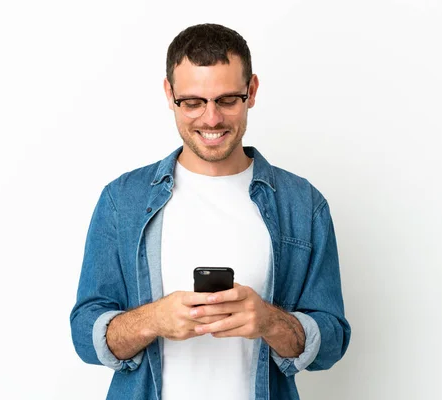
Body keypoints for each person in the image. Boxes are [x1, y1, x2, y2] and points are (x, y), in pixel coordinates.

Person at [70, 23, 351, 400]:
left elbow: (332, 343)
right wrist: (153, 319)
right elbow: (85, 336)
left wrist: (269, 322)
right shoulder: (122, 201)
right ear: (169, 94)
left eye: (227, 100)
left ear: (251, 91)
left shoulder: (303, 205)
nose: (212, 119)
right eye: (193, 102)